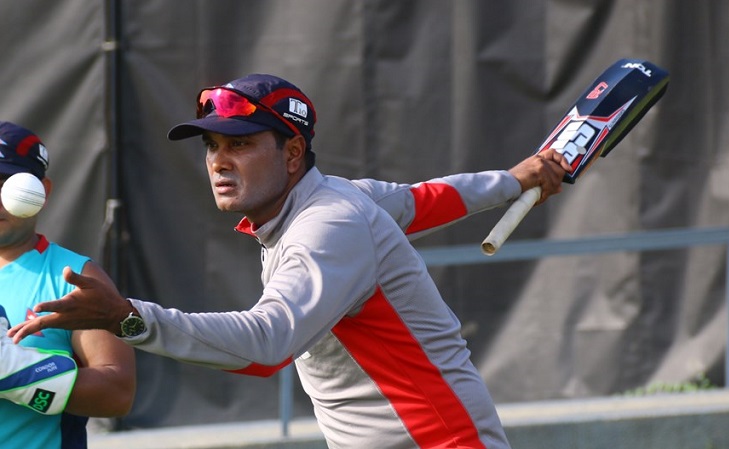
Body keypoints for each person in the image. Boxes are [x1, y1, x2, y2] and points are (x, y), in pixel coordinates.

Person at [9, 74, 571, 448]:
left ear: (293, 152)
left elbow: (267, 343)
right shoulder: (337, 199)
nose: (219, 162)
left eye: (240, 144)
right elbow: (421, 200)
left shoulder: (328, 224)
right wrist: (513, 180)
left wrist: (128, 318)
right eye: (212, 146)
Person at [0, 121, 136, 449]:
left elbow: (118, 393)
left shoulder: (75, 277)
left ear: (43, 191)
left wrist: (17, 372)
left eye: (7, 184)